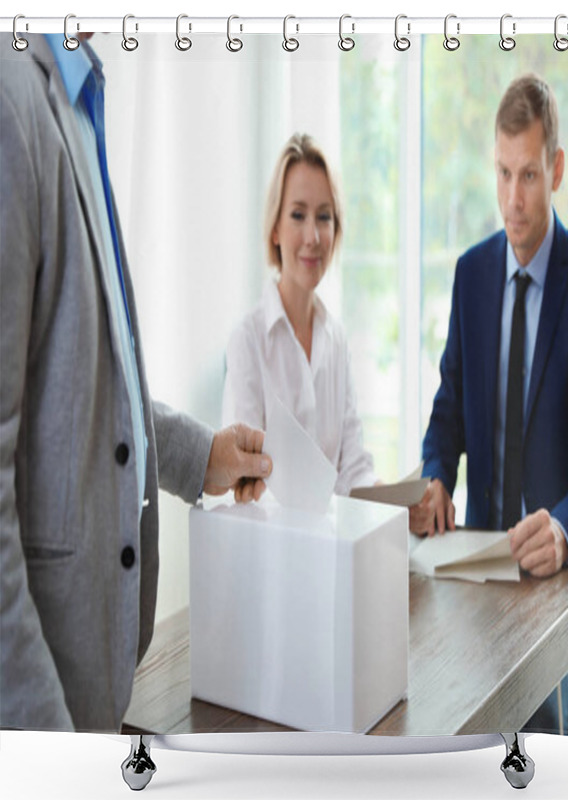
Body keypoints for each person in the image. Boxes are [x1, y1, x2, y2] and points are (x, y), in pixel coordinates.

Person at [0, 34, 272, 732]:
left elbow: (79, 385)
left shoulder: (74, 91)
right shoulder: (11, 101)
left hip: (99, 700)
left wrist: (196, 454)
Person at [410, 73, 568, 733]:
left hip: (562, 592)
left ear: (556, 168)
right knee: (427, 705)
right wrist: (435, 473)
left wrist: (562, 532)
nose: (513, 199)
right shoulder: (471, 276)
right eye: (502, 174)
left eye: (528, 175)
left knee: (530, 740)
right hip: (477, 570)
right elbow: (449, 407)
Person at [222, 133, 376, 497]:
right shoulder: (248, 340)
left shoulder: (336, 339)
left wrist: (401, 502)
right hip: (274, 549)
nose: (313, 236)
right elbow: (244, 483)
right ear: (275, 228)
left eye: (324, 217)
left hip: (335, 548)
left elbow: (354, 468)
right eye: (297, 215)